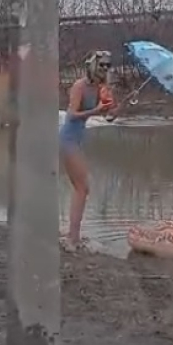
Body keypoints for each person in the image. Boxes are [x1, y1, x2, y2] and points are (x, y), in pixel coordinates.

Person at [60, 50, 118, 251]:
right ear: (92, 65)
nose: (104, 69)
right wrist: (95, 111)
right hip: (67, 139)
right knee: (82, 188)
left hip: (78, 139)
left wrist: (114, 111)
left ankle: (72, 236)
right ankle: (72, 239)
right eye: (101, 65)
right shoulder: (79, 86)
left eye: (108, 65)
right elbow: (72, 114)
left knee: (82, 188)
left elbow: (109, 116)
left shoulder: (103, 88)